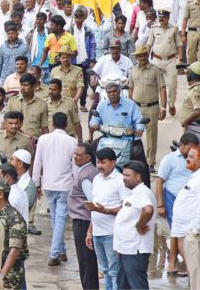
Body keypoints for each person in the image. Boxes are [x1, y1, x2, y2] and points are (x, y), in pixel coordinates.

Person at [171, 144, 200, 289]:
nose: (187, 159)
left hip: (196, 234)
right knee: (195, 274)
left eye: (192, 157)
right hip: (188, 233)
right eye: (187, 156)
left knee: (199, 275)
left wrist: (196, 230)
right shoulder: (197, 176)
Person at [32, 112, 77, 266]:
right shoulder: (72, 141)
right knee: (60, 219)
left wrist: (36, 183)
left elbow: (37, 162)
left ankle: (61, 250)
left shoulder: (44, 139)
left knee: (56, 218)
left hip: (49, 184)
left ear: (52, 124)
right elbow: (75, 167)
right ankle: (54, 253)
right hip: (65, 185)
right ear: (66, 124)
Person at [155, 131, 197, 276]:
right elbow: (159, 181)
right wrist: (160, 205)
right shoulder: (169, 159)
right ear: (181, 145)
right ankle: (176, 263)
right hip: (172, 198)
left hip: (190, 200)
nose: (192, 151)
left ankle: (174, 262)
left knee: (182, 232)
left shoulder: (196, 159)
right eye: (190, 147)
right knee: (177, 232)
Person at [84, 147, 126, 290]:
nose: (100, 166)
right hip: (97, 233)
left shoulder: (120, 181)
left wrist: (106, 211)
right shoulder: (96, 179)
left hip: (112, 233)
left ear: (113, 162)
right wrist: (90, 231)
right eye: (98, 162)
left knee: (114, 272)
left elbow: (126, 208)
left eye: (103, 162)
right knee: (105, 270)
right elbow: (95, 207)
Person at [113, 161, 156, 290]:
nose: (123, 178)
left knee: (137, 284)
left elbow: (148, 210)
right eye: (123, 175)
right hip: (125, 247)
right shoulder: (132, 193)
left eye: (127, 175)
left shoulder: (142, 193)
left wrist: (139, 225)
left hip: (135, 248)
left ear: (138, 177)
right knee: (123, 284)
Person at [129, 44, 167, 171]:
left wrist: (163, 108)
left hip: (152, 107)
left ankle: (150, 162)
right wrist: (129, 106)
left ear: (147, 55)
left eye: (144, 55)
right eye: (139, 56)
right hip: (136, 107)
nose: (142, 58)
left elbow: (162, 88)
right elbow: (131, 88)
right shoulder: (133, 70)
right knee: (134, 135)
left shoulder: (155, 70)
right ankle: (134, 160)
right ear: (137, 57)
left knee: (151, 136)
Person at [68, 142, 99, 290]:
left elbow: (94, 203)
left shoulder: (86, 175)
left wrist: (90, 230)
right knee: (87, 262)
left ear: (88, 157)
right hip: (83, 221)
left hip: (83, 222)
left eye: (79, 155)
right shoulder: (87, 171)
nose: (75, 157)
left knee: (86, 262)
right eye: (75, 154)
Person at [89, 82, 143, 166]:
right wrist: (94, 123)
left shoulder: (130, 104)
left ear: (119, 92)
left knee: (139, 160)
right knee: (92, 151)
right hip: (108, 136)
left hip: (127, 138)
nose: (112, 94)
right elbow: (95, 117)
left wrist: (139, 128)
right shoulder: (102, 105)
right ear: (106, 93)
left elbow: (138, 119)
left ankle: (144, 178)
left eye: (114, 91)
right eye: (109, 92)